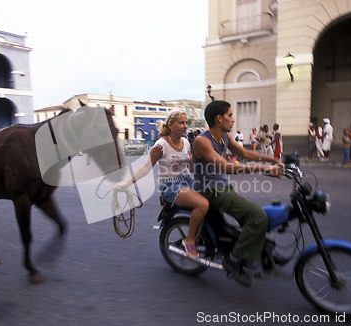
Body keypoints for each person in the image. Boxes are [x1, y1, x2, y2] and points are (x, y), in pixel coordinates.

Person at [192, 101, 283, 287]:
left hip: (223, 187)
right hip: (210, 190)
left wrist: (273, 159)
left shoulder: (224, 136)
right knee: (257, 216)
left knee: (251, 218)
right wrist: (263, 168)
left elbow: (244, 153)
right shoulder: (203, 140)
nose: (233, 120)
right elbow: (225, 166)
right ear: (219, 118)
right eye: (230, 115)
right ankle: (233, 260)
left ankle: (260, 251)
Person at [118, 110, 209, 258]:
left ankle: (204, 236)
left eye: (186, 122)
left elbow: (191, 167)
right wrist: (127, 183)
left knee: (214, 198)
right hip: (171, 186)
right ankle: (190, 239)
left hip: (187, 180)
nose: (185, 126)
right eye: (181, 123)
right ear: (171, 125)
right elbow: (146, 167)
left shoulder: (186, 142)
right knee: (202, 204)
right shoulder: (161, 145)